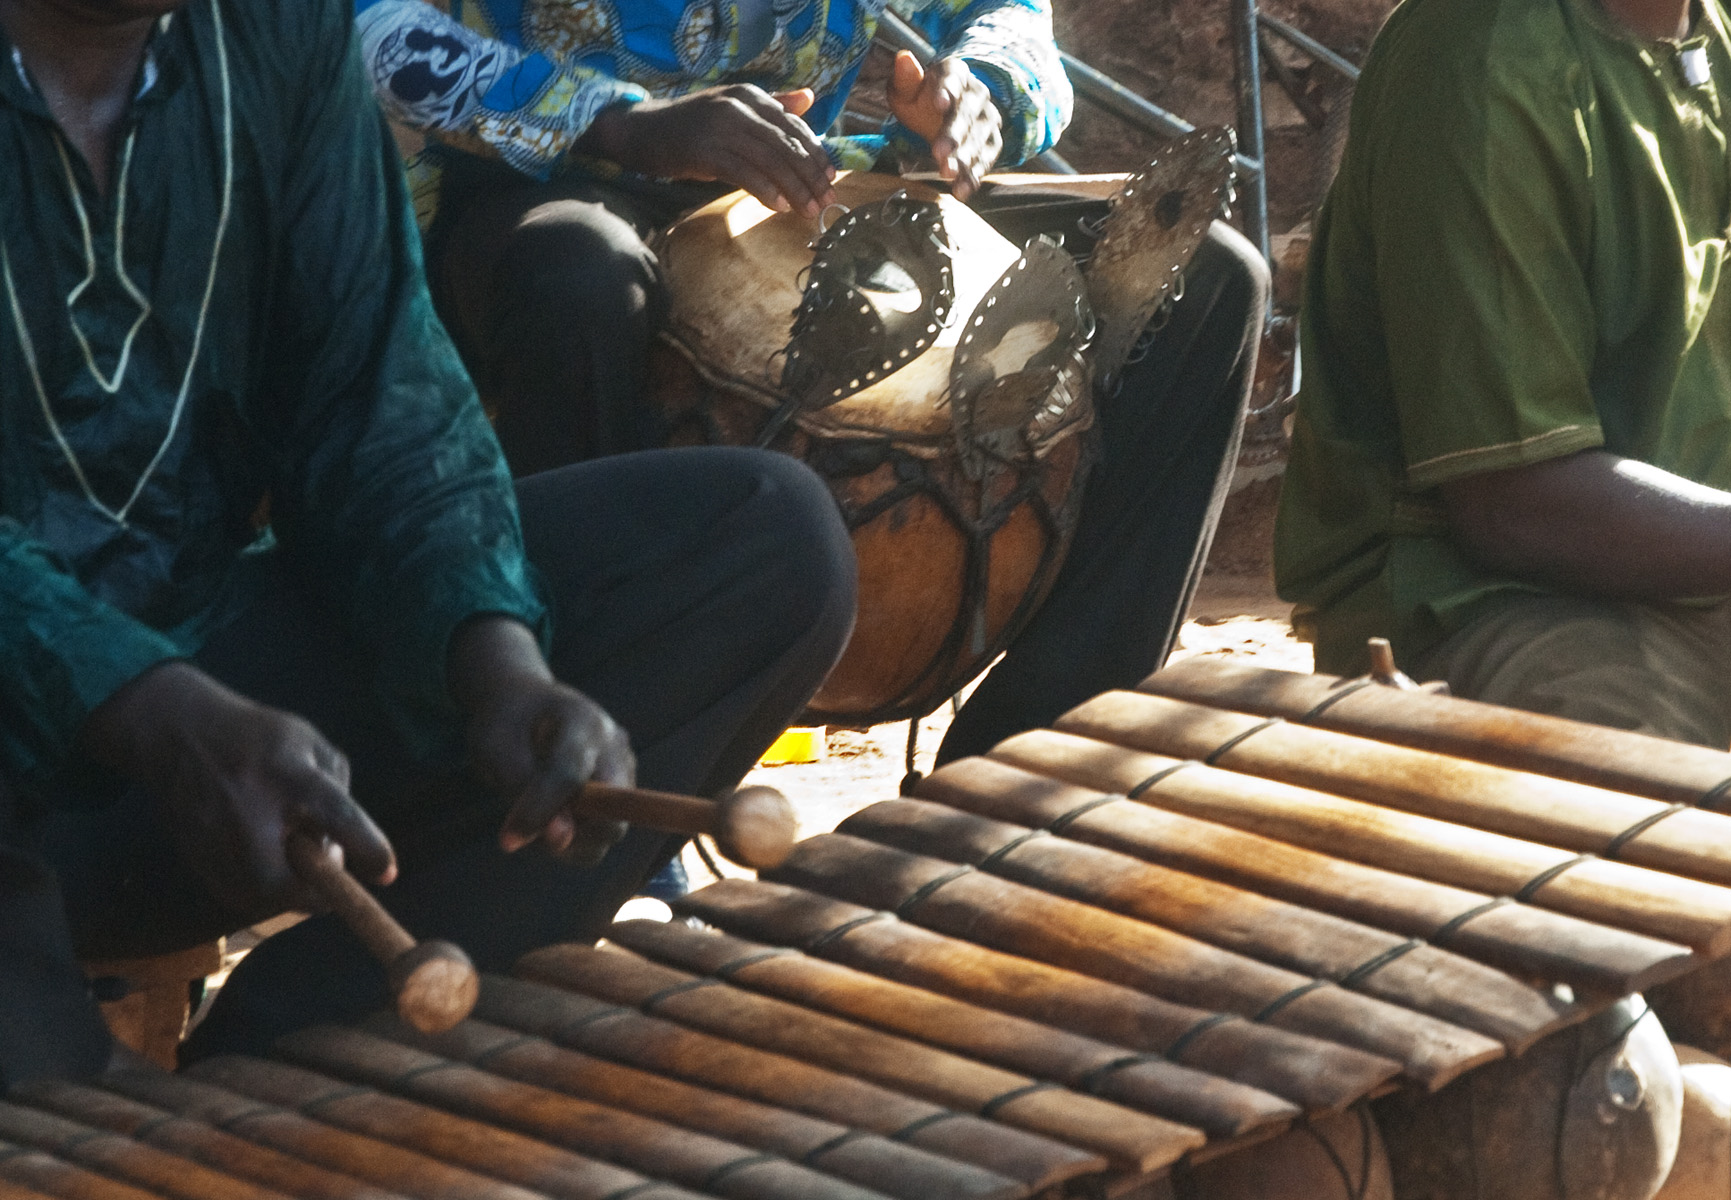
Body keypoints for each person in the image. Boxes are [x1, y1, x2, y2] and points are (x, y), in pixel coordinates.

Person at [0, 0, 855, 1087]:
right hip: (69, 760)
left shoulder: (272, 32)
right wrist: (159, 715)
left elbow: (372, 397)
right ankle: (82, 1101)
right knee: (66, 1139)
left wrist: (496, 661)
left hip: (210, 751)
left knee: (765, 542)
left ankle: (296, 1083)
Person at [357, 0, 1271, 762]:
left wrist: (981, 92)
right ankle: (584, 745)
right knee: (579, 276)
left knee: (1206, 282)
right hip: (546, 181)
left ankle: (1031, 765)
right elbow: (361, 24)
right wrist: (622, 123)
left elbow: (1007, 15)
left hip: (800, 184)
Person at [1274, 0, 1731, 747]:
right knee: (1634, 780)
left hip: (1702, 561)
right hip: (1490, 601)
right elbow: (1514, 508)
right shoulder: (1484, 58)